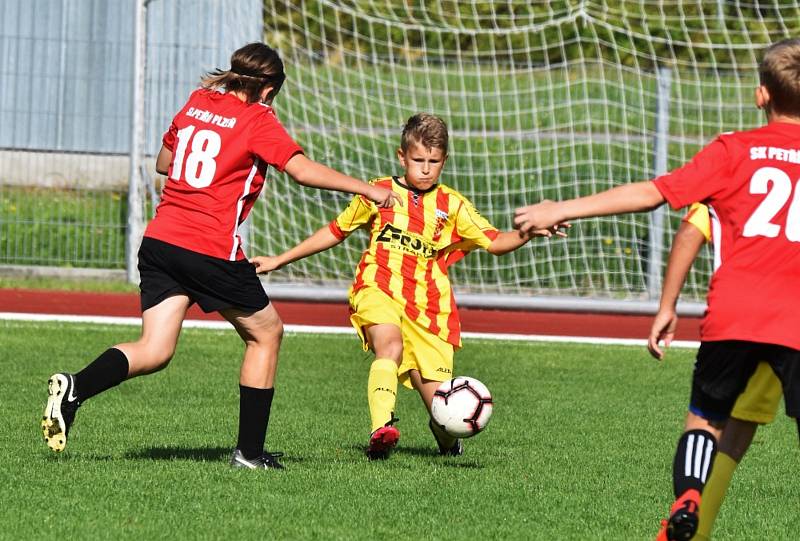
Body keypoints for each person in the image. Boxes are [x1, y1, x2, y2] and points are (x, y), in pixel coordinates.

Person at [40, 42, 400, 470]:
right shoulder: (257, 119)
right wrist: (370, 189)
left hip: (160, 242)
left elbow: (164, 162)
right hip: (208, 247)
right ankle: (249, 454)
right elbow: (302, 171)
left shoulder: (198, 101)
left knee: (154, 349)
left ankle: (76, 388)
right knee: (266, 334)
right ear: (268, 88)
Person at [513, 37, 800, 541]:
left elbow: (652, 195)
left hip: (733, 315)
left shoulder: (732, 150)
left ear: (761, 95)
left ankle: (688, 496)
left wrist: (560, 208)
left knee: (706, 421)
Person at [251, 113, 564, 459]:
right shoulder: (377, 192)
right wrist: (280, 259)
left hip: (430, 308)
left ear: (445, 161)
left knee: (445, 414)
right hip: (378, 287)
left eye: (434, 162)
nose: (426, 169)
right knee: (389, 346)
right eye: (418, 160)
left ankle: (443, 435)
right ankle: (381, 429)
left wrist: (525, 234)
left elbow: (494, 241)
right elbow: (335, 231)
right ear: (402, 157)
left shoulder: (453, 205)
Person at [648, 203, 783, 540]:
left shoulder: (738, 158)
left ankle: (692, 523)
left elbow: (692, 227)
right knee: (743, 419)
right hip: (789, 317)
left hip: (746, 315)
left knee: (711, 420)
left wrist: (667, 305)